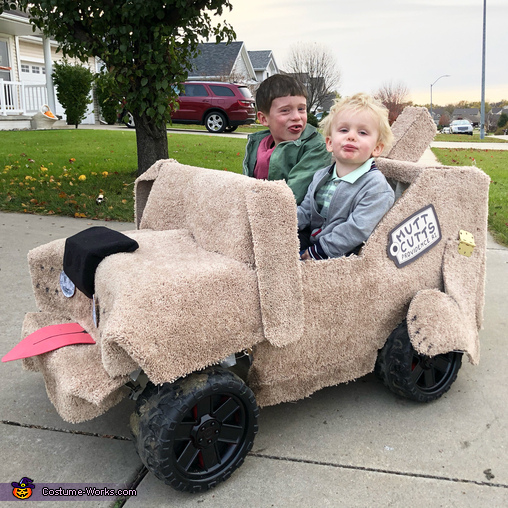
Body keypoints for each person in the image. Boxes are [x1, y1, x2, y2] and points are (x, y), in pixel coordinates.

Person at [298, 93, 395, 260]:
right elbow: (306, 210)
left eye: (363, 132)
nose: (351, 136)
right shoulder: (321, 176)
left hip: (344, 255)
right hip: (313, 239)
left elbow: (357, 229)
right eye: (344, 130)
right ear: (329, 143)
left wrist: (317, 252)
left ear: (377, 148)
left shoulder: (375, 186)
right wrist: (284, 224)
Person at [243, 74, 332, 205]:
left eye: (301, 109)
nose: (297, 117)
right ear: (263, 119)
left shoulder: (316, 147)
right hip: (256, 210)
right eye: (285, 110)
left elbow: (292, 195)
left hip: (294, 218)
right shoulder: (257, 143)